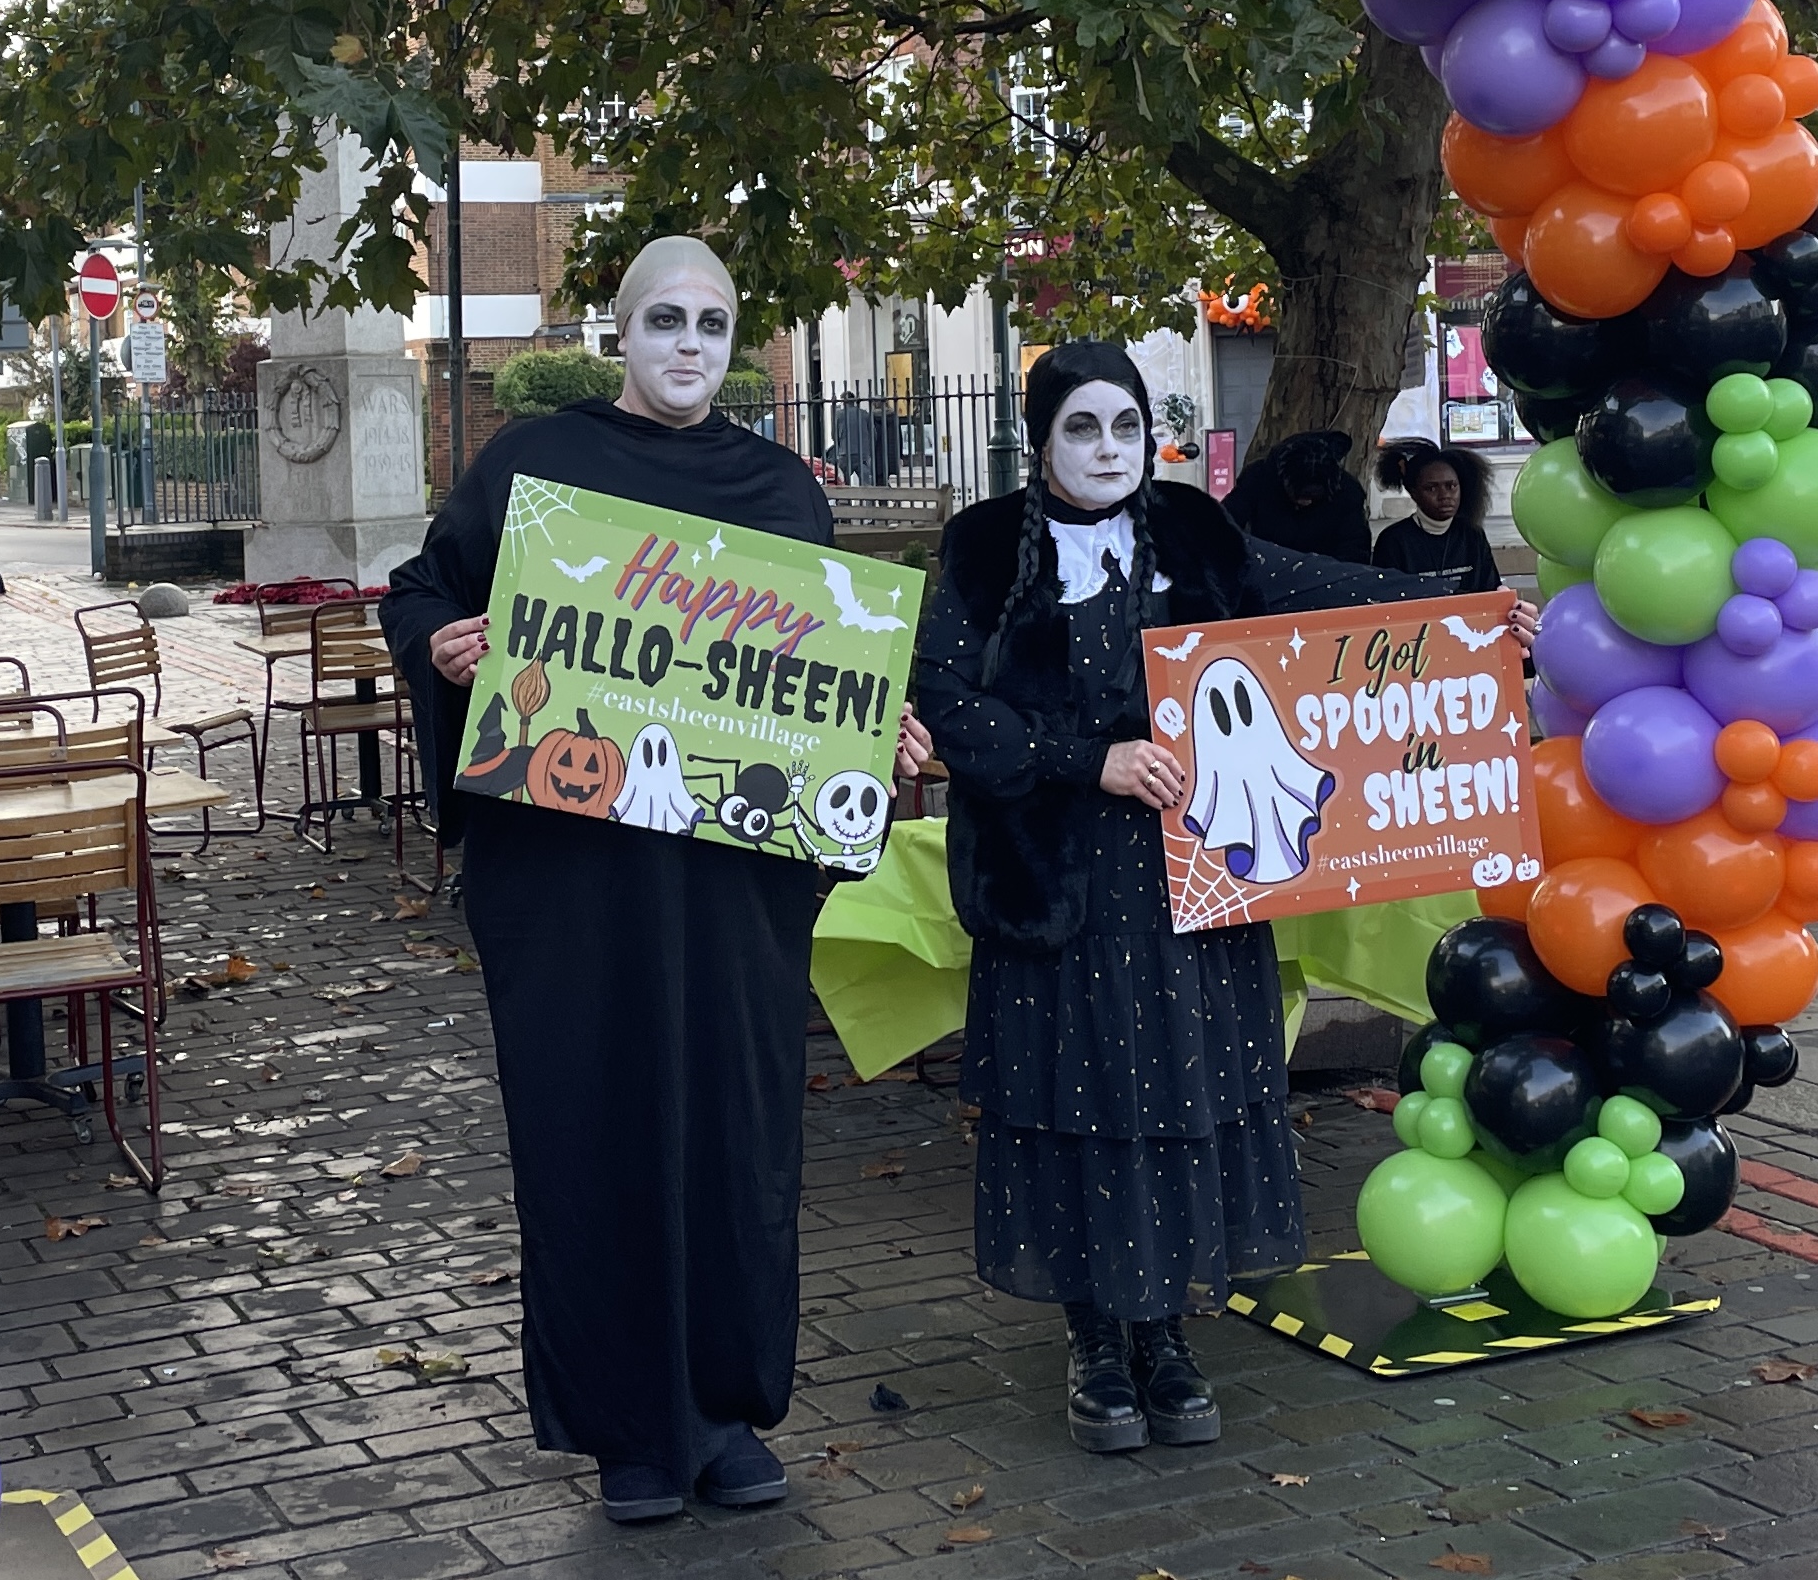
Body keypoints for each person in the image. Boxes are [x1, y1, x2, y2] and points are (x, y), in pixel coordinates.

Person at [381, 237, 930, 1524]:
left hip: (729, 887)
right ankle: (629, 1428)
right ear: (619, 331)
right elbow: (420, 591)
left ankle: (726, 1408)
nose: (689, 343)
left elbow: (823, 679)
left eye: (713, 323)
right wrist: (445, 646)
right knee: (593, 1122)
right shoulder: (532, 464)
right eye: (665, 319)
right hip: (576, 880)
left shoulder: (778, 485)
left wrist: (884, 733)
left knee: (737, 1131)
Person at [914, 343, 1535, 1456]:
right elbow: (941, 698)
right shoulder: (976, 547)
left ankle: (1165, 1330)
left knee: (1175, 1088)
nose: (1105, 451)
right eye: (1079, 429)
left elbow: (1319, 592)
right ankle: (1095, 1334)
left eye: (1122, 427)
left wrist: (1468, 611)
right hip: (1056, 878)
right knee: (1082, 1097)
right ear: (1041, 437)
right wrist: (1078, 759)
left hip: (1190, 877)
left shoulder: (1194, 531)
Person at [1371, 438, 1502, 595]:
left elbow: (1491, 592)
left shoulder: (1472, 535)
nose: (1445, 496)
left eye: (1451, 486)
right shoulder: (1394, 541)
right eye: (1432, 488)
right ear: (1413, 492)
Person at [1223, 426, 1373, 563]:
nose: (1306, 502)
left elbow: (1354, 546)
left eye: (1314, 498)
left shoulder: (1348, 492)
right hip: (1266, 565)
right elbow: (1227, 521)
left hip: (1323, 572)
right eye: (1300, 496)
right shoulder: (1259, 478)